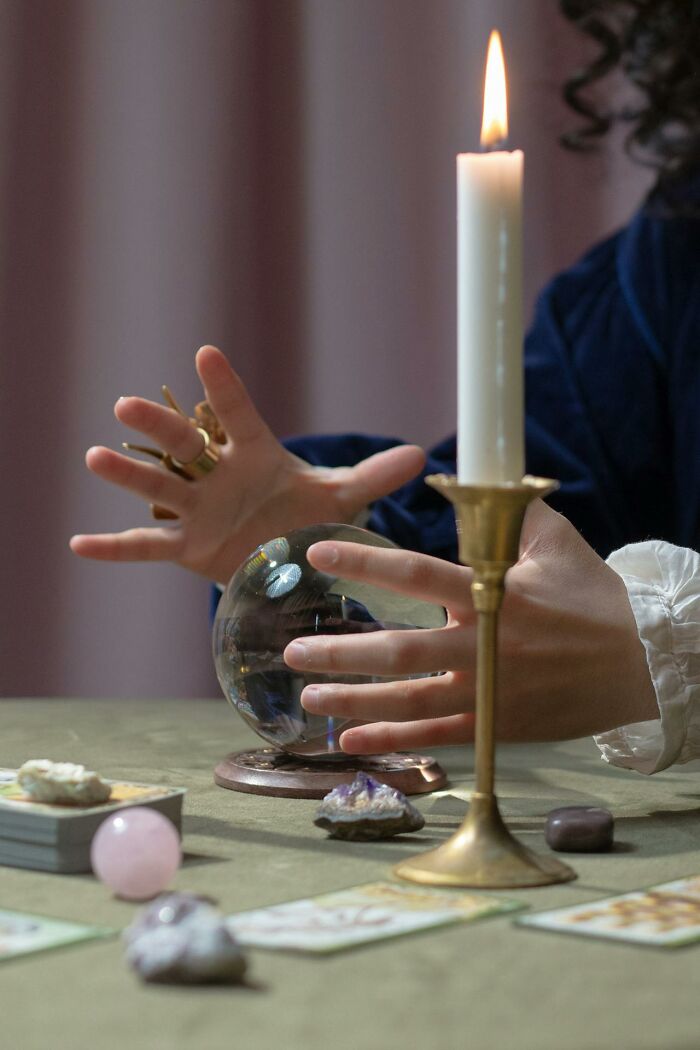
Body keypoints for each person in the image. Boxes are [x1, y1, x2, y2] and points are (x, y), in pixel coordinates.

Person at [70, 0, 700, 772]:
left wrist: (668, 661)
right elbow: (544, 525)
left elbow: (615, 630)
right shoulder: (666, 271)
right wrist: (347, 550)